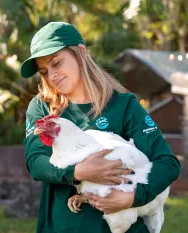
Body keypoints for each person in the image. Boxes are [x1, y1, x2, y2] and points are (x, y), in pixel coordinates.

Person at [21, 22, 180, 233]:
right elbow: (36, 162)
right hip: (62, 226)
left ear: (82, 53)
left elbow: (167, 163)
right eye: (44, 71)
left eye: (57, 63)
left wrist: (132, 197)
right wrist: (79, 171)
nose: (52, 75)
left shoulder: (123, 106)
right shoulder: (42, 107)